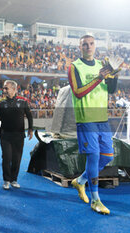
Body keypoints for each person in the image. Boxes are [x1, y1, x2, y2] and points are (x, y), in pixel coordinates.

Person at [68, 34, 118, 215]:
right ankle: (96, 200)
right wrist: (98, 78)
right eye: (85, 44)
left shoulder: (101, 65)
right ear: (80, 47)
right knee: (94, 156)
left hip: (101, 117)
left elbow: (111, 90)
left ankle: (80, 181)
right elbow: (78, 92)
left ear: (95, 46)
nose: (88, 47)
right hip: (86, 117)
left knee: (107, 156)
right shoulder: (74, 67)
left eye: (91, 44)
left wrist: (114, 76)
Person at [0, 80, 33, 190]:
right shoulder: (1, 102)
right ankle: (6, 180)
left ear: (14, 89)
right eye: (3, 88)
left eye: (6, 88)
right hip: (5, 136)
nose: (4, 90)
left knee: (16, 158)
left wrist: (31, 129)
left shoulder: (23, 101)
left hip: (19, 136)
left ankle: (14, 179)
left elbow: (29, 116)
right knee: (6, 157)